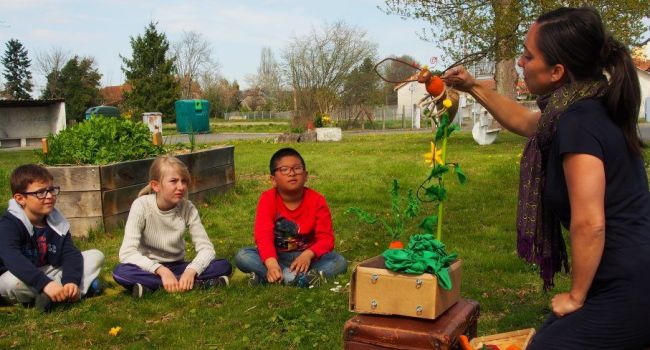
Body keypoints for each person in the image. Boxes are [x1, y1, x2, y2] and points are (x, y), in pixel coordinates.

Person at [443, 7, 650, 349]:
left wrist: (576, 296)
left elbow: (589, 223)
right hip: (624, 275)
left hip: (632, 285)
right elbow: (525, 121)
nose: (520, 62)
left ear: (557, 71)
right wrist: (471, 86)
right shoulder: (580, 107)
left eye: (528, 55)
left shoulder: (578, 121)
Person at [112, 156, 232, 297]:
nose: (181, 187)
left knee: (224, 265)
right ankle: (197, 284)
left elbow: (207, 249)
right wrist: (160, 270)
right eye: (173, 181)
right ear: (156, 185)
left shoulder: (188, 208)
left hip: (178, 266)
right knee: (120, 271)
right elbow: (127, 253)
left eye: (184, 181)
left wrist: (192, 270)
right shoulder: (141, 206)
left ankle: (153, 286)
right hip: (148, 268)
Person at [234, 148, 347, 287]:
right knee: (243, 255)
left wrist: (308, 255)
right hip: (277, 257)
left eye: (297, 168)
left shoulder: (317, 200)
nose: (292, 173)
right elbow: (263, 236)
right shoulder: (267, 199)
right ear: (273, 180)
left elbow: (326, 239)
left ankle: (274, 278)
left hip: (309, 259)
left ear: (306, 175)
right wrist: (271, 263)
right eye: (284, 169)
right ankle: (293, 278)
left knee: (339, 261)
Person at [0, 164, 105, 312]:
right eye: (41, 192)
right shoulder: (9, 224)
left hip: (49, 271)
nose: (49, 196)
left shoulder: (56, 221)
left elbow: (70, 253)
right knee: (8, 283)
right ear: (20, 198)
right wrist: (45, 284)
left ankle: (61, 293)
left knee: (95, 256)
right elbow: (12, 258)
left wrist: (71, 280)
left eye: (51, 190)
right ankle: (74, 291)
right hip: (19, 274)